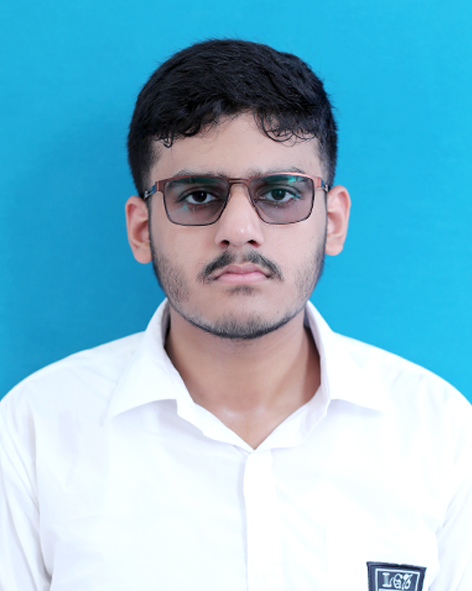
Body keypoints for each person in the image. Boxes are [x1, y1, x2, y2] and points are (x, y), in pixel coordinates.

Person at [0, 39, 471, 591]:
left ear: (333, 221)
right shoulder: (34, 431)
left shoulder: (440, 433)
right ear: (142, 230)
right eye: (198, 195)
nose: (240, 230)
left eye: (281, 192)